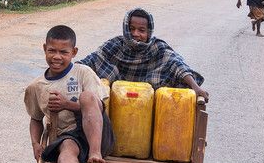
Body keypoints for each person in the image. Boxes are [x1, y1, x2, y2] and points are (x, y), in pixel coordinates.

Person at [24, 25, 114, 163]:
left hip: (98, 135)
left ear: (74, 52)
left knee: (86, 97)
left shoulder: (83, 72)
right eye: (52, 50)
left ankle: (95, 154)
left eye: (63, 52)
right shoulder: (36, 87)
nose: (57, 57)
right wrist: (35, 144)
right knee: (66, 149)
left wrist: (66, 105)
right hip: (69, 136)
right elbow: (36, 119)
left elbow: (95, 105)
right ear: (45, 49)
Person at [78, 8, 209, 101]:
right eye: (131, 29)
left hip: (149, 106)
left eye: (142, 30)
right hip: (115, 102)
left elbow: (177, 65)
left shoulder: (158, 47)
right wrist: (68, 70)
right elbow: (92, 60)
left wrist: (195, 87)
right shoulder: (114, 46)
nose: (136, 34)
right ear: (125, 29)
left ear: (149, 32)